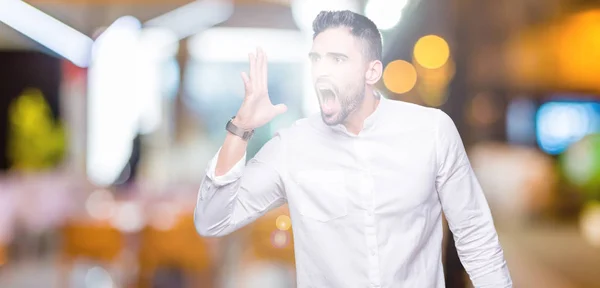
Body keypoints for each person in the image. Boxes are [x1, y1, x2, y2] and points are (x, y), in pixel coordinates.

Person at [194, 10, 512, 288]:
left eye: (338, 60)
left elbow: (474, 233)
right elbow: (211, 221)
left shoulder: (432, 131)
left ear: (371, 72)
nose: (322, 71)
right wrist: (240, 128)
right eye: (316, 59)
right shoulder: (292, 146)